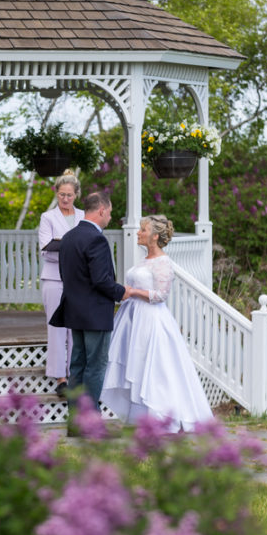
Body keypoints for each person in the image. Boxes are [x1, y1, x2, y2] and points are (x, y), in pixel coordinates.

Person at [100, 214, 213, 432]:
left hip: (150, 319)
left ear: (155, 236)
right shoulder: (144, 260)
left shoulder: (163, 262)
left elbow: (161, 294)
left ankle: (161, 415)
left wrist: (132, 291)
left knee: (153, 367)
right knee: (135, 364)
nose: (138, 233)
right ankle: (139, 418)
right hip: (133, 318)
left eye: (143, 230)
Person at [50, 191, 128, 411]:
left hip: (74, 311)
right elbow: (102, 281)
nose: (110, 218)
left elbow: (66, 275)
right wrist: (123, 292)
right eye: (110, 213)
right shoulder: (96, 239)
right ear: (101, 210)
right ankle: (90, 422)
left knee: (77, 367)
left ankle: (76, 422)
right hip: (95, 314)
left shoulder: (69, 237)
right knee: (95, 367)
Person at [38, 170, 84, 397]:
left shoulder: (83, 216)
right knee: (56, 328)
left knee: (75, 328)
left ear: (76, 195)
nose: (65, 199)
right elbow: (46, 251)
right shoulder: (47, 218)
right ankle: (60, 378)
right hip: (54, 278)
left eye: (69, 195)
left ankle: (75, 374)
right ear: (56, 193)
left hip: (77, 280)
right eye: (61, 194)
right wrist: (70, 250)